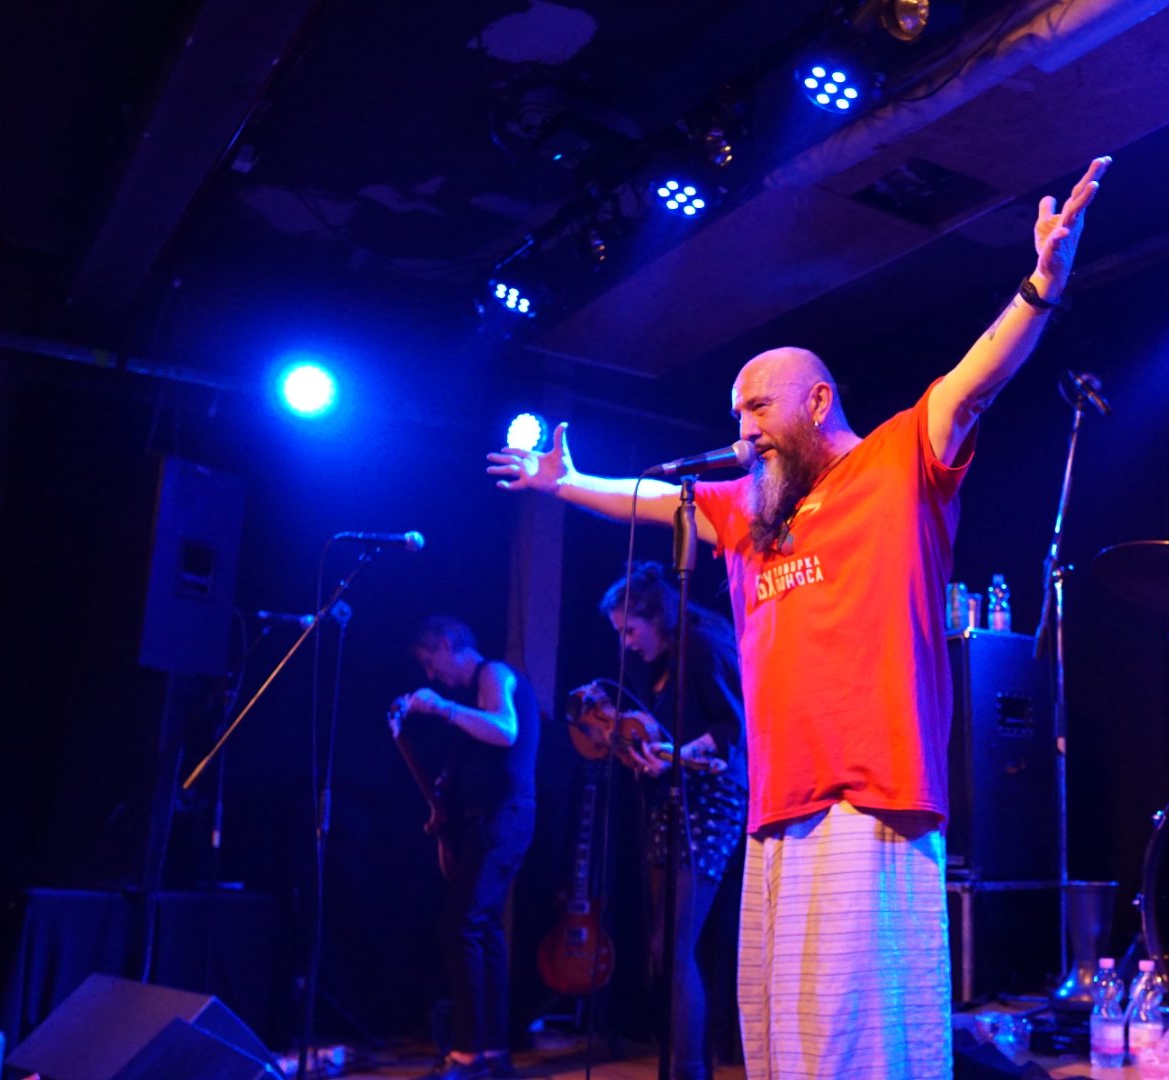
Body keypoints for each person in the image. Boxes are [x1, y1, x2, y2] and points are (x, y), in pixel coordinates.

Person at [488, 155, 1109, 1077]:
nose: (742, 428)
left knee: (859, 1045)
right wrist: (566, 482)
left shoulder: (898, 461)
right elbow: (650, 502)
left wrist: (1040, 286)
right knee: (786, 1042)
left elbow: (975, 379)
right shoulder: (750, 509)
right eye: (734, 413)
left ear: (818, 401)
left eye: (757, 407)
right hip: (777, 807)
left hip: (872, 798)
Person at [598, 563, 746, 1080]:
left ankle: (688, 1070)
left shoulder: (700, 645)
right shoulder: (666, 660)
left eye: (629, 630)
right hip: (677, 796)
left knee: (672, 946)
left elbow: (732, 727)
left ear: (655, 616)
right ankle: (686, 1064)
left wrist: (675, 755)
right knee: (668, 945)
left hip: (711, 799)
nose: (626, 643)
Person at [394, 618, 539, 1080]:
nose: (431, 675)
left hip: (504, 818)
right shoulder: (469, 696)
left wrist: (440, 708)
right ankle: (492, 1052)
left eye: (430, 661)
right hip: (486, 821)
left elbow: (505, 730)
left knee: (462, 924)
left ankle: (468, 1054)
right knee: (483, 928)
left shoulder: (494, 673)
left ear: (446, 644)